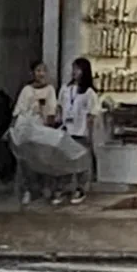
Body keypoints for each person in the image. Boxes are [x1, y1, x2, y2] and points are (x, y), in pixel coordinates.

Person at [54, 57, 100, 205]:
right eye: (74, 68)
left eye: (78, 69)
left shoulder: (89, 93)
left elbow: (92, 114)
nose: (74, 72)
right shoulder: (65, 89)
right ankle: (63, 189)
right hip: (66, 130)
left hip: (81, 131)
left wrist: (89, 133)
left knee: (81, 162)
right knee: (64, 161)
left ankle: (80, 189)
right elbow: (60, 107)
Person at [13, 60, 59, 206]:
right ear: (33, 73)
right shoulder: (26, 90)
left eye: (43, 71)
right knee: (27, 161)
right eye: (38, 71)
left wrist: (49, 126)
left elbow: (51, 110)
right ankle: (28, 190)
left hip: (43, 129)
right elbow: (19, 110)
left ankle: (48, 190)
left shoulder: (50, 90)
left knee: (45, 161)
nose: (41, 74)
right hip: (27, 129)